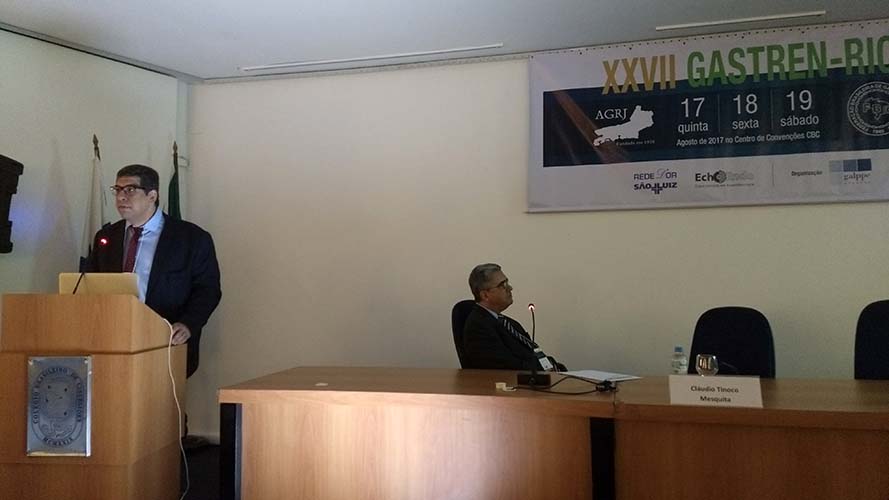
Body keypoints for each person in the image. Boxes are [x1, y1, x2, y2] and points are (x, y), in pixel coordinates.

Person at [85, 164, 221, 378]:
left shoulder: (191, 238)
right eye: (117, 190)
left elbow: (207, 289)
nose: (121, 197)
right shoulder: (106, 237)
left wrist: (188, 324)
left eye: (130, 190)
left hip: (165, 343)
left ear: (152, 196)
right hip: (112, 343)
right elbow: (90, 286)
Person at [462, 263, 564, 371]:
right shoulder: (478, 327)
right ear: (485, 295)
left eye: (507, 283)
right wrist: (546, 368)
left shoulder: (509, 323)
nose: (510, 288)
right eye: (503, 285)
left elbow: (531, 353)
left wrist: (552, 365)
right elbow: (508, 367)